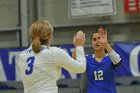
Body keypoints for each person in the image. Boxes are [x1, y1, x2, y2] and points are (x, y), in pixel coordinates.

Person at [17, 19, 86, 93]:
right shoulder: (54, 53)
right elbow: (81, 68)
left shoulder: (22, 55)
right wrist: (79, 46)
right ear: (50, 37)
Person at [73, 26, 122, 93]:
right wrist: (77, 46)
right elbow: (74, 60)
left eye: (99, 38)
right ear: (92, 43)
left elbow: (118, 62)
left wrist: (106, 44)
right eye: (94, 39)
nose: (97, 41)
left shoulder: (110, 57)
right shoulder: (88, 59)